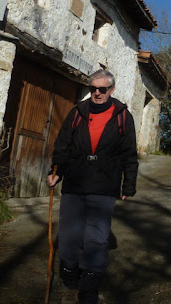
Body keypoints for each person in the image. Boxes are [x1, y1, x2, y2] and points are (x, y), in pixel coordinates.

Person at [46, 69, 138, 304]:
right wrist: (55, 172)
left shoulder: (122, 115)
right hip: (75, 179)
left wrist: (129, 184)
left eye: (102, 89)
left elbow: (129, 153)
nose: (97, 93)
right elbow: (62, 145)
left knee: (96, 236)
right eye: (93, 89)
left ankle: (90, 283)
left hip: (105, 181)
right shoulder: (77, 112)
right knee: (69, 233)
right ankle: (70, 269)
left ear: (111, 90)